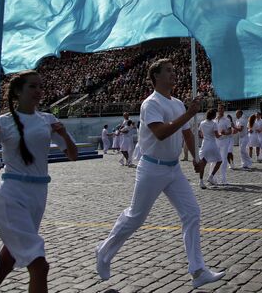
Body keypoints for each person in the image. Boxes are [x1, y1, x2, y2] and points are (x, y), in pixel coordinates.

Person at [95, 59, 225, 289]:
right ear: (155, 76)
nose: (174, 74)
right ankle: (104, 252)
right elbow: (162, 133)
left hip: (173, 168)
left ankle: (197, 271)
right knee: (135, 217)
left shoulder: (177, 103)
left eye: (174, 70)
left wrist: (196, 158)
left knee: (192, 213)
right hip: (152, 168)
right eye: (168, 71)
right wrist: (190, 113)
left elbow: (186, 134)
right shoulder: (150, 103)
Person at [0, 70, 78, 293]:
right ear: (18, 91)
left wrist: (65, 135)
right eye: (32, 87)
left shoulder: (48, 120)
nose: (38, 91)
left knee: (6, 260)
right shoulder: (2, 122)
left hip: (38, 196)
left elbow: (73, 155)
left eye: (40, 86)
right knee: (40, 265)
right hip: (12, 195)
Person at [198, 108, 223, 189]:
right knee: (219, 161)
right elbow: (217, 136)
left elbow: (200, 134)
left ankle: (201, 181)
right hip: (212, 144)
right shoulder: (214, 123)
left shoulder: (202, 123)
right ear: (213, 116)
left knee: (203, 163)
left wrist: (205, 135)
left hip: (204, 144)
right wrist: (222, 133)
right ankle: (211, 176)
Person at [215, 104, 234, 184]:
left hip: (224, 142)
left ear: (224, 109)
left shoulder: (227, 120)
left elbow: (230, 131)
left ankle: (223, 178)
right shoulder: (214, 119)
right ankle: (213, 177)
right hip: (215, 141)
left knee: (223, 159)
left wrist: (225, 132)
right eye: (219, 108)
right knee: (214, 159)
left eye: (222, 108)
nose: (220, 110)